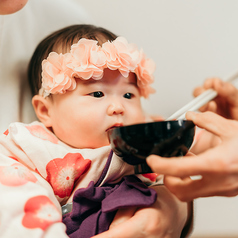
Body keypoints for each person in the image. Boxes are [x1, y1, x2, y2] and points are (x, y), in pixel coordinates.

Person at [0, 24, 192, 238]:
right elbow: (22, 201)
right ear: (45, 111)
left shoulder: (149, 133)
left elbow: (200, 151)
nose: (118, 107)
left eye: (128, 95)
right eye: (98, 94)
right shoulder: (33, 148)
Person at [147, 78, 238, 202]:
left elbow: (211, 142)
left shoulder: (157, 129)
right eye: (109, 95)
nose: (116, 107)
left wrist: (223, 132)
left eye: (128, 95)